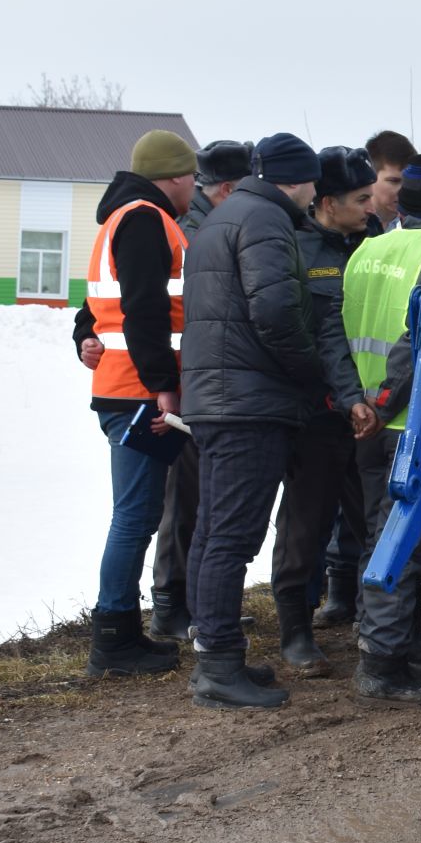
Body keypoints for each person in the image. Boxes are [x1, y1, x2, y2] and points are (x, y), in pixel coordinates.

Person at [180, 133, 355, 709]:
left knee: (212, 531)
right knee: (230, 537)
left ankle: (219, 652)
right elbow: (277, 311)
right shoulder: (266, 221)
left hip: (215, 395)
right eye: (310, 181)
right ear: (298, 180)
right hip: (248, 403)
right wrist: (311, 377)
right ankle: (217, 667)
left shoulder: (224, 215)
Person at [71, 129, 197, 678]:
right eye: (192, 176)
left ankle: (121, 634)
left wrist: (83, 333)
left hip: (123, 386)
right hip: (137, 392)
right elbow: (144, 308)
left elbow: (98, 302)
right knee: (135, 516)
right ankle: (114, 640)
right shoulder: (146, 218)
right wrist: (163, 384)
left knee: (140, 514)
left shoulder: (120, 218)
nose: (195, 187)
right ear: (173, 176)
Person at [342, 155, 421, 706]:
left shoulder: (367, 251)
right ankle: (383, 663)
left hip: (363, 418)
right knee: (401, 541)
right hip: (405, 419)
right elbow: (417, 342)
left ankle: (403, 639)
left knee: (381, 531)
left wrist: (360, 402)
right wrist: (390, 398)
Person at [267, 147, 381, 677]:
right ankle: (295, 632)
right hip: (317, 414)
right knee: (304, 525)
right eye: (361, 199)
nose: (370, 206)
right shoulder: (293, 248)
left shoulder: (378, 245)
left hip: (375, 413)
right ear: (327, 202)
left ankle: (380, 627)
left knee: (374, 525)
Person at [146, 138, 253, 640]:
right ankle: (172, 605)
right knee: (185, 497)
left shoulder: (200, 227)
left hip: (195, 380)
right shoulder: (195, 234)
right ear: (228, 189)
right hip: (187, 385)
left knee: (198, 498)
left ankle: (187, 603)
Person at [364, 130, 417, 233]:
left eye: (409, 182)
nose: (403, 190)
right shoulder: (345, 230)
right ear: (370, 177)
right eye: (394, 181)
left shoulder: (413, 231)